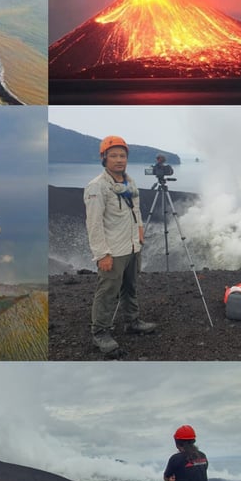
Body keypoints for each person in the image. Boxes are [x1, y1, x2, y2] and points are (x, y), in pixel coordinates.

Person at [84, 135, 156, 354]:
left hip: (133, 246)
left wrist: (140, 229)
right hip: (113, 251)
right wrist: (102, 254)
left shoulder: (129, 182)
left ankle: (132, 322)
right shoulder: (97, 187)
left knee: (130, 287)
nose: (119, 160)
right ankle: (100, 333)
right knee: (107, 292)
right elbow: (94, 224)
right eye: (113, 155)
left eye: (122, 155)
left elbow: (135, 209)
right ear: (103, 158)